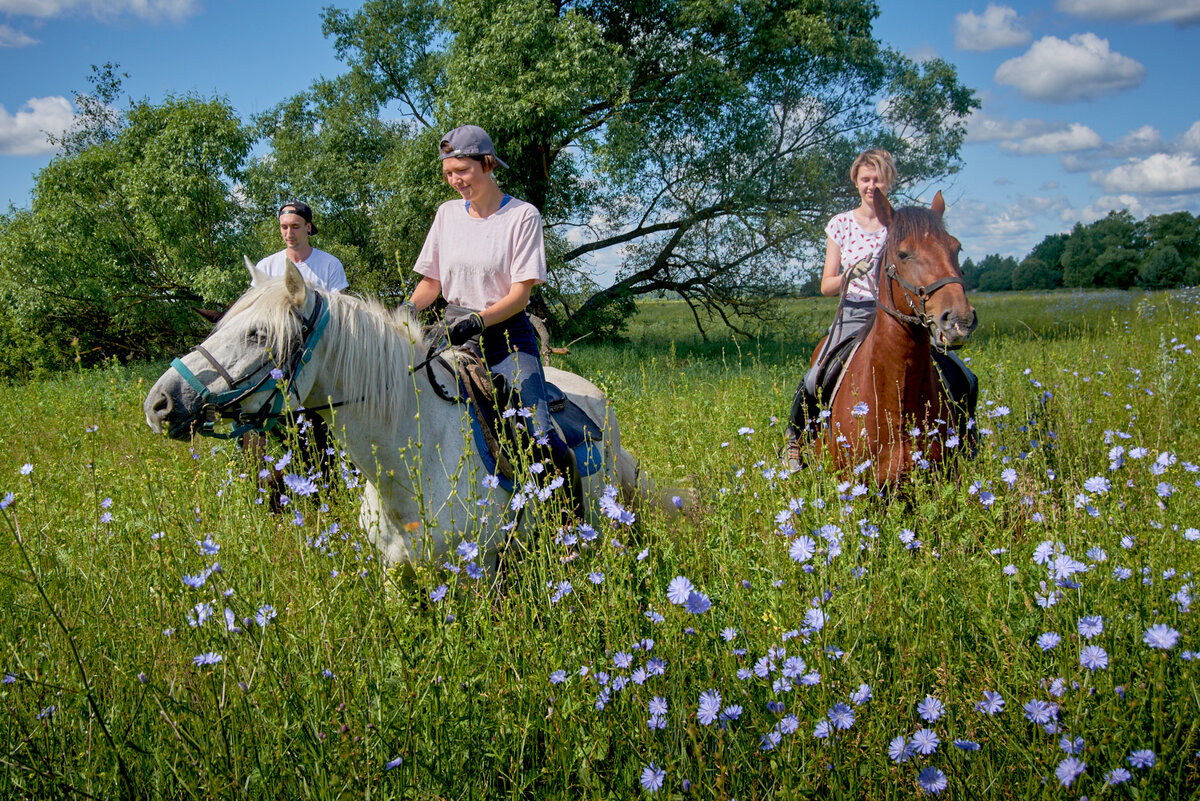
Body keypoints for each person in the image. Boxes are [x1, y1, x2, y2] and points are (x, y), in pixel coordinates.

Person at [408, 124, 581, 516]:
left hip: (506, 335)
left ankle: (569, 529)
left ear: (487, 164)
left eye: (463, 172)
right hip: (452, 333)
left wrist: (478, 321)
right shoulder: (446, 214)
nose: (455, 181)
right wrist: (409, 308)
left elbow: (520, 295)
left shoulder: (522, 216)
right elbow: (431, 282)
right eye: (449, 174)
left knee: (538, 434)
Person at [787, 149, 896, 461]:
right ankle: (795, 439)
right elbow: (826, 285)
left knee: (959, 372)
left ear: (888, 182)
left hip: (896, 316)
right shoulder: (841, 224)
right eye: (865, 179)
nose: (871, 185)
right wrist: (850, 274)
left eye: (878, 179)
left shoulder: (900, 225)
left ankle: (965, 439)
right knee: (816, 376)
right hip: (854, 312)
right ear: (856, 182)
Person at [254, 201, 348, 293]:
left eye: (295, 227)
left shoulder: (330, 265)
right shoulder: (265, 268)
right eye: (284, 227)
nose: (289, 234)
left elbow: (337, 306)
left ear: (308, 228)